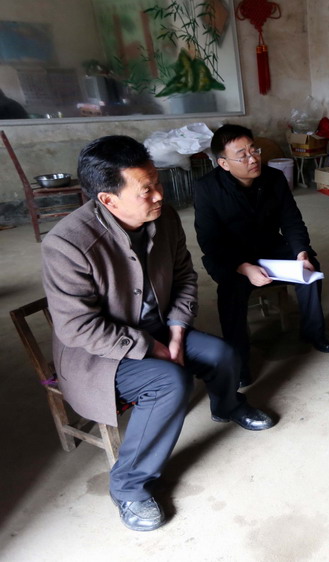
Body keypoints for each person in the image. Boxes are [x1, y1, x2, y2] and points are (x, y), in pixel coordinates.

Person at [41, 136, 276, 532]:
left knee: (223, 354)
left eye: (157, 182)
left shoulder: (163, 219)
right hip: (100, 354)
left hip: (159, 327)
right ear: (108, 199)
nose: (159, 195)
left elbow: (184, 277)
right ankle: (128, 486)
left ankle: (227, 405)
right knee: (170, 382)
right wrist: (148, 345)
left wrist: (178, 331)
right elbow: (77, 326)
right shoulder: (67, 244)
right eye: (145, 189)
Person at [194, 124, 329, 387]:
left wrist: (301, 252)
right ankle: (239, 360)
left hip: (270, 246)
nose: (253, 159)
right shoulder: (207, 188)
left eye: (254, 150)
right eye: (243, 155)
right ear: (223, 163)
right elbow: (210, 241)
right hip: (233, 254)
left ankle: (314, 332)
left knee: (309, 269)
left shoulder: (274, 178)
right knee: (230, 290)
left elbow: (292, 221)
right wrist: (243, 267)